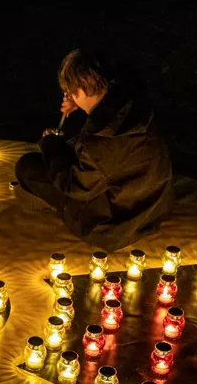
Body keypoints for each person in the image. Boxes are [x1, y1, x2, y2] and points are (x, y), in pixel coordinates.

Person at [15, 49, 176, 251]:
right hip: (155, 207)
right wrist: (81, 104)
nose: (70, 96)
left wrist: (50, 145)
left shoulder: (98, 142)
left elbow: (74, 186)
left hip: (116, 225)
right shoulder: (135, 101)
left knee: (27, 167)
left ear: (81, 90)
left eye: (71, 92)